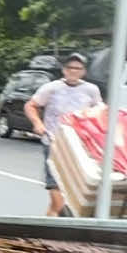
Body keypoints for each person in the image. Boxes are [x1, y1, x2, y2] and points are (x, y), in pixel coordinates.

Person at [24, 52, 103, 216]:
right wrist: (38, 123)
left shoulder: (91, 90)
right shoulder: (51, 88)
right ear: (64, 70)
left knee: (75, 203)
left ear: (83, 71)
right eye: (70, 68)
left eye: (78, 68)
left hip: (80, 148)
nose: (73, 71)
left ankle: (49, 230)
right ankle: (48, 233)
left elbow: (100, 112)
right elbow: (31, 105)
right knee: (58, 202)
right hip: (54, 145)